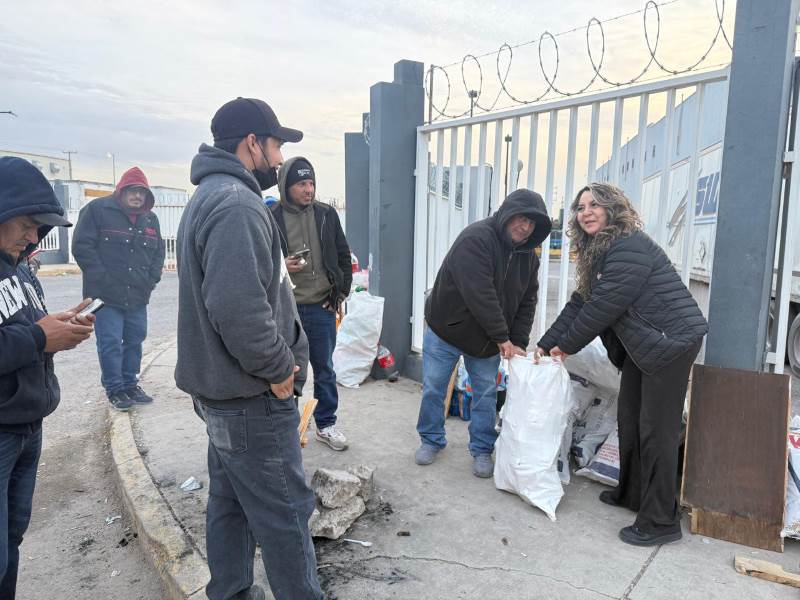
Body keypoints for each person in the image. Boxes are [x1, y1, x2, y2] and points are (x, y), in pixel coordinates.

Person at [175, 97, 322, 600]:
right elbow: (237, 308)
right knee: (285, 514)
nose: (280, 161)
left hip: (227, 396)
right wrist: (279, 368)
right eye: (276, 147)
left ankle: (232, 592)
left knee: (231, 504)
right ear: (252, 144)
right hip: (250, 397)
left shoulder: (213, 195)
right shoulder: (236, 204)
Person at [535, 183, 708, 546]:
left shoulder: (628, 247)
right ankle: (633, 493)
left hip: (672, 342)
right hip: (645, 346)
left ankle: (661, 521)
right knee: (629, 418)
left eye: (594, 205)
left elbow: (602, 308)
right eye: (580, 207)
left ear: (612, 209)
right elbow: (581, 302)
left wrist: (564, 348)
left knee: (657, 431)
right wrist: (546, 343)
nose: (586, 212)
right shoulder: (600, 251)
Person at [0, 156, 95, 598]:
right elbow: (27, 337)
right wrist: (40, 337)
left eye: (39, 228)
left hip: (27, 427)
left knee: (11, 541)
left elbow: (22, 327)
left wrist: (56, 326)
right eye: (27, 225)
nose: (34, 237)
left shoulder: (18, 266)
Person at [416, 188, 552, 478]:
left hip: (486, 341)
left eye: (531, 223)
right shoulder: (476, 238)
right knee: (434, 388)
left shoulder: (529, 257)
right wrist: (503, 337)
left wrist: (518, 341)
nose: (525, 226)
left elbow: (527, 300)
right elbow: (480, 294)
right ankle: (431, 439)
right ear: (507, 213)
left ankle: (481, 449)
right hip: (447, 330)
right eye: (521, 218)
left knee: (486, 395)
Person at [271, 157, 352, 451]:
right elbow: (261, 260)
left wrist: (339, 294)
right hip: (287, 311)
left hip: (321, 308)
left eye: (311, 183)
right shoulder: (271, 216)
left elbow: (343, 256)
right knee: (287, 370)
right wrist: (283, 265)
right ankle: (287, 428)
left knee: (325, 369)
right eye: (301, 184)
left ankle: (326, 424)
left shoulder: (326, 214)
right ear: (286, 186)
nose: (308, 189)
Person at [72, 167, 165, 411]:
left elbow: (158, 253)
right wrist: (103, 280)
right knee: (110, 342)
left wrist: (150, 280)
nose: (137, 196)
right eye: (132, 191)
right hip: (104, 297)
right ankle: (115, 389)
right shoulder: (97, 210)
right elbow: (82, 247)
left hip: (137, 295)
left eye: (142, 192)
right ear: (121, 191)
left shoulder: (151, 219)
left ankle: (130, 384)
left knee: (135, 339)